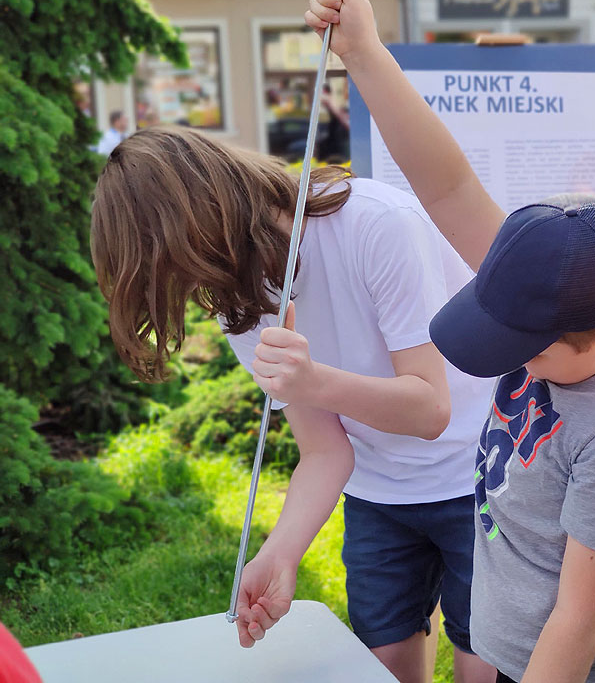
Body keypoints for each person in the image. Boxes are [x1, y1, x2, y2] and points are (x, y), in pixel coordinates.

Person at [306, 0, 595, 681]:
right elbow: (447, 184)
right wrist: (362, 51)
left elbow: (582, 620)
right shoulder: (545, 296)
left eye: (525, 351)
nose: (507, 357)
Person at [89, 127, 496, 683]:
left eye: (179, 270)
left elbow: (429, 411)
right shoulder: (235, 293)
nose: (192, 290)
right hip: (378, 494)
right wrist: (279, 554)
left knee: (482, 667)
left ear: (204, 220)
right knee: (384, 668)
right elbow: (325, 451)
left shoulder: (377, 224)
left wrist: (313, 382)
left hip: (479, 477)